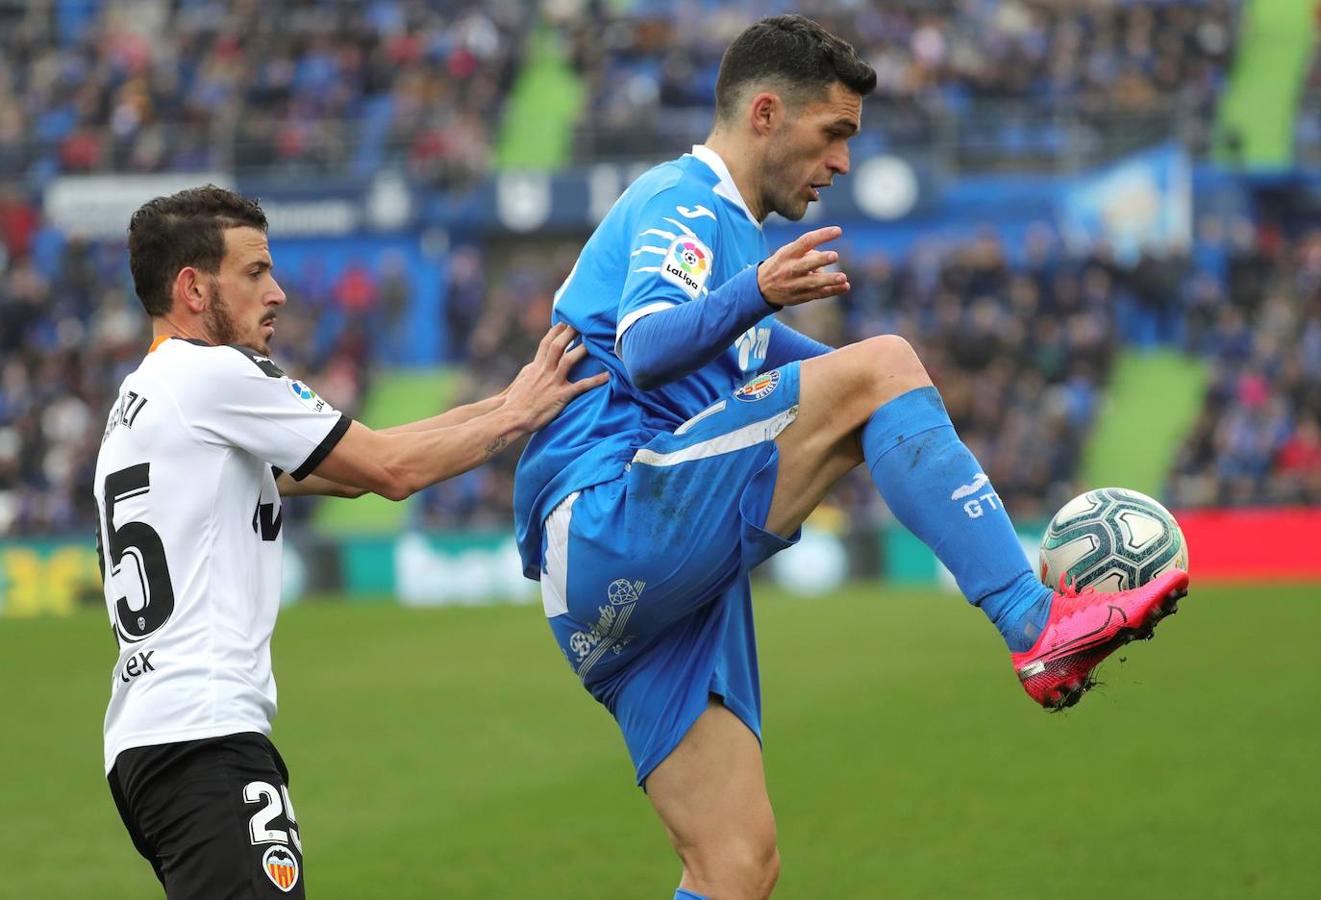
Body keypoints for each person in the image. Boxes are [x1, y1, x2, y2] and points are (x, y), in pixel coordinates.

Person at [512, 15, 1189, 899]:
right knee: (884, 363)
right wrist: (762, 298)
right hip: (612, 509)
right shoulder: (684, 200)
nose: (840, 163)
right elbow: (642, 348)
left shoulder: (732, 235)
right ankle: (1033, 623)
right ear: (764, 114)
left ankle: (1036, 619)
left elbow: (851, 390)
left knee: (735, 866)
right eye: (833, 134)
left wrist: (898, 405)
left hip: (623, 595)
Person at [95, 185, 605, 898]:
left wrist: (512, 399)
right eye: (254, 273)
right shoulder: (214, 375)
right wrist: (516, 415)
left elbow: (360, 463)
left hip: (151, 740)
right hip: (204, 737)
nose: (276, 293)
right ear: (190, 288)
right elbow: (389, 471)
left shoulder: (145, 398)